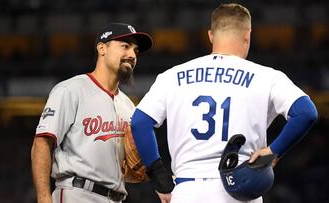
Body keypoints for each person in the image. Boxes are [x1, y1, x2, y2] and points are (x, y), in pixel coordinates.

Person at [131, 3, 318, 203]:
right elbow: (306, 112)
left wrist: (160, 178)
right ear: (248, 34)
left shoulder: (171, 76)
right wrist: (273, 151)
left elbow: (140, 123)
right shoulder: (267, 77)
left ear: (211, 35)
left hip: (187, 190)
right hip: (240, 187)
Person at [30, 22, 152, 203]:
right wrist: (43, 197)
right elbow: (42, 143)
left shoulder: (128, 106)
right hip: (77, 193)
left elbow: (126, 168)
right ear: (102, 48)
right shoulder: (71, 90)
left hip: (116, 197)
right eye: (125, 46)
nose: (132, 55)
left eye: (135, 50)